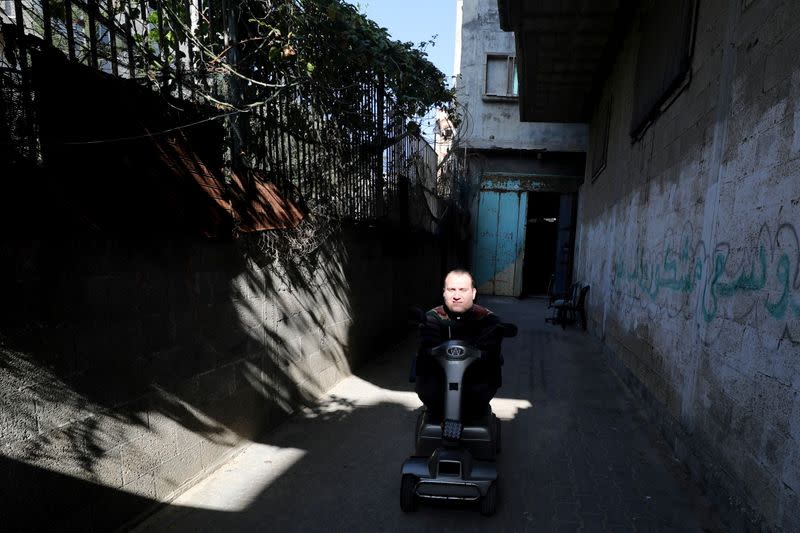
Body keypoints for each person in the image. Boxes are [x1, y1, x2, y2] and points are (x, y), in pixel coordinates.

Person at [414, 269, 505, 420]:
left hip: (475, 383)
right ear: (444, 292)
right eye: (451, 290)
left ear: (473, 293)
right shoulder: (431, 318)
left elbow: (490, 354)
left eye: (463, 290)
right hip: (439, 383)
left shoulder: (489, 320)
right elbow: (427, 350)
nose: (456, 296)